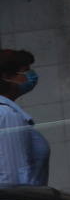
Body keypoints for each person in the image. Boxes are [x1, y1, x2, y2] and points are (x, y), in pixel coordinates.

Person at [0, 49, 51, 186]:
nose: (31, 76)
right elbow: (13, 178)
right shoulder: (7, 116)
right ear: (6, 77)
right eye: (26, 71)